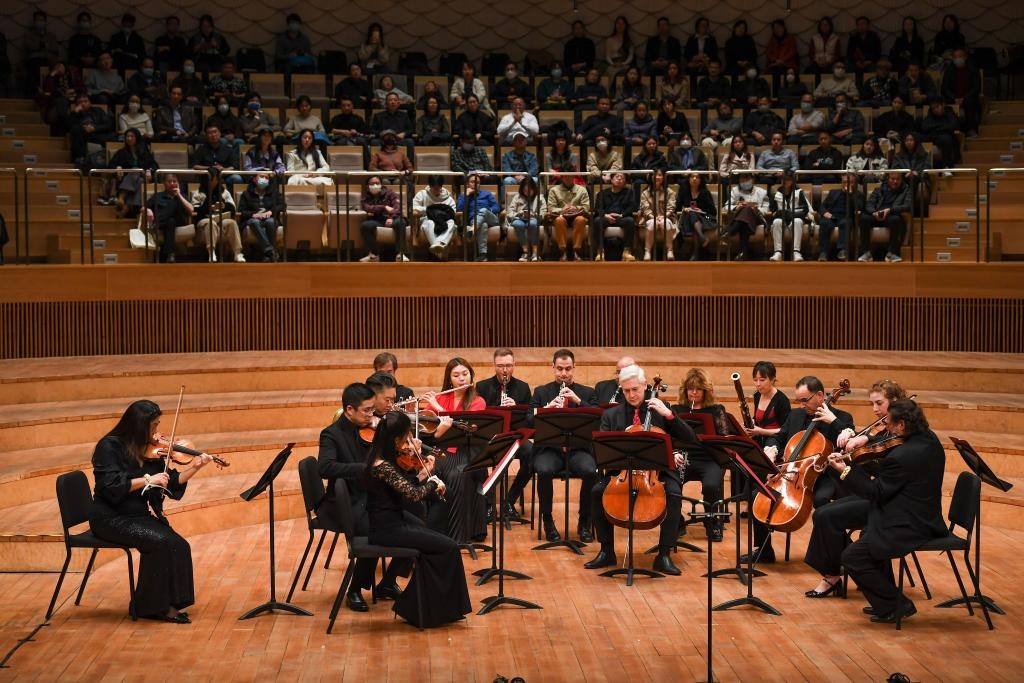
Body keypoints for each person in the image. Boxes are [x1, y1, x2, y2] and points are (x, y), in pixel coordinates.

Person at [89, 400, 212, 623]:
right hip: (110, 517)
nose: (157, 432)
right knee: (161, 543)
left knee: (179, 544)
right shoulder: (109, 447)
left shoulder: (149, 450)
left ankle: (170, 603)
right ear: (138, 425)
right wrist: (147, 479)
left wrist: (195, 467)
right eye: (153, 425)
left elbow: (171, 482)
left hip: (137, 515)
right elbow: (111, 486)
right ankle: (151, 607)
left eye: (157, 425)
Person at [827, 400, 945, 623]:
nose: (886, 428)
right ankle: (885, 603)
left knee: (853, 557)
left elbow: (875, 491)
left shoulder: (903, 455)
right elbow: (894, 474)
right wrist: (859, 462)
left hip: (912, 523)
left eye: (889, 423)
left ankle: (897, 605)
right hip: (922, 512)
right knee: (869, 533)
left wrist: (845, 471)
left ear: (901, 425)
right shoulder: (928, 439)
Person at [586, 364, 698, 575]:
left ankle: (663, 555)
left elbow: (690, 438)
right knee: (596, 491)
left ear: (645, 385)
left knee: (674, 494)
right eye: (626, 390)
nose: (631, 395)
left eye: (635, 389)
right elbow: (600, 452)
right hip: (622, 472)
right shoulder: (612, 415)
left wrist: (669, 415)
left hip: (658, 473)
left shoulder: (661, 408)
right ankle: (606, 550)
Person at [364, 411, 472, 628]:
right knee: (449, 547)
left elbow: (403, 488)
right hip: (387, 530)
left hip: (393, 523)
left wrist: (422, 475)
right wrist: (432, 483)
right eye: (406, 436)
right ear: (395, 439)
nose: (409, 441)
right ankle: (425, 609)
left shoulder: (383, 460)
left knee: (438, 546)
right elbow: (413, 495)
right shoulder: (382, 466)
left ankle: (421, 608)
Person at [803, 380, 909, 599]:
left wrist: (850, 462)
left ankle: (856, 578)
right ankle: (833, 574)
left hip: (891, 500)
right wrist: (851, 454)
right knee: (823, 514)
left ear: (895, 402)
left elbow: (886, 465)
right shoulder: (884, 428)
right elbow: (873, 453)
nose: (875, 409)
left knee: (834, 516)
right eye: (872, 404)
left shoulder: (902, 430)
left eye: (879, 403)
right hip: (877, 493)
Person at [320, 383, 416, 613]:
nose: (372, 415)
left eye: (373, 409)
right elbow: (325, 467)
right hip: (347, 503)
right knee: (377, 529)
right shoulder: (331, 434)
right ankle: (354, 589)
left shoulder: (372, 429)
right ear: (349, 410)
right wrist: (366, 468)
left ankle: (388, 582)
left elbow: (387, 462)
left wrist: (401, 450)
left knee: (419, 523)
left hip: (372, 498)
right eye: (366, 410)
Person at [751, 375, 855, 562]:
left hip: (826, 475)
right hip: (794, 473)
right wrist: (771, 449)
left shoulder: (842, 418)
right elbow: (779, 437)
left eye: (805, 400)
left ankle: (842, 554)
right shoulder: (795, 415)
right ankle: (764, 551)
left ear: (820, 396)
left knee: (822, 501)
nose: (801, 405)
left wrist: (834, 423)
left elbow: (850, 443)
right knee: (757, 494)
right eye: (799, 400)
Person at [529, 349, 599, 543]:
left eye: (568, 369)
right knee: (543, 470)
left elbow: (599, 418)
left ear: (574, 367)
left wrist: (578, 401)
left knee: (591, 471)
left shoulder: (587, 393)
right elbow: (528, 421)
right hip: (550, 449)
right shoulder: (541, 392)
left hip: (578, 449)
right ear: (553, 367)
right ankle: (548, 521)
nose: (564, 373)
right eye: (559, 369)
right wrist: (547, 409)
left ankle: (584, 521)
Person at [420, 357, 487, 544]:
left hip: (467, 451)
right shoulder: (441, 398)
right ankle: (430, 532)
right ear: (449, 379)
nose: (462, 378)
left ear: (471, 376)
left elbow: (465, 428)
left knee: (456, 475)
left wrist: (439, 409)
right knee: (427, 471)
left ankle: (457, 538)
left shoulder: (478, 401)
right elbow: (429, 432)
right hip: (442, 450)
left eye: (465, 374)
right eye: (456, 375)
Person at [674, 367, 733, 541]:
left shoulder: (716, 410)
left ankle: (713, 523)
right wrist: (675, 453)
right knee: (671, 484)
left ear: (706, 390)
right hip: (684, 458)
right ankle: (676, 522)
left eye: (698, 389)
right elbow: (670, 436)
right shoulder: (677, 409)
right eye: (690, 388)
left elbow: (724, 437)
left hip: (710, 459)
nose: (694, 392)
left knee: (711, 486)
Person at [476, 348, 534, 519]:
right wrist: (498, 409)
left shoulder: (523, 388)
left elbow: (528, 420)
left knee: (532, 454)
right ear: (494, 365)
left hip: (515, 437)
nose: (505, 370)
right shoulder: (482, 387)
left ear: (514, 364)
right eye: (500, 366)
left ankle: (509, 500)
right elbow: (480, 418)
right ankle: (488, 504)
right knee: (490, 454)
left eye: (508, 365)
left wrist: (514, 409)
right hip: (490, 438)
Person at [191, 167, 244, 263]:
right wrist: (209, 208)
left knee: (231, 223)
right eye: (213, 179)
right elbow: (195, 210)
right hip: (205, 220)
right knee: (210, 223)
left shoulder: (224, 192)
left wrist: (224, 206)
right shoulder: (198, 193)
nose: (215, 181)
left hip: (221, 219)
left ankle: (237, 253)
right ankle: (211, 252)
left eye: (216, 179)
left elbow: (233, 208)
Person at [104, 128, 157, 218]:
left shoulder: (144, 152)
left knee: (137, 173)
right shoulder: (121, 152)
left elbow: (155, 166)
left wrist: (149, 170)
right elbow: (110, 165)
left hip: (144, 177)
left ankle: (122, 197)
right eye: (127, 136)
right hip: (126, 179)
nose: (129, 138)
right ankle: (127, 208)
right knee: (139, 179)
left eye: (132, 136)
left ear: (137, 138)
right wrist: (117, 167)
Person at [145, 174, 196, 263]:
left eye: (174, 181)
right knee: (170, 221)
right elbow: (143, 208)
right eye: (169, 181)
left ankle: (157, 224)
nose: (172, 183)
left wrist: (178, 195)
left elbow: (191, 209)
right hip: (168, 225)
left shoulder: (182, 196)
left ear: (178, 183)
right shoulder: (158, 196)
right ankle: (170, 254)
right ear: (164, 183)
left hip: (180, 222)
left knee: (173, 204)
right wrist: (148, 210)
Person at [742, 360, 791, 448]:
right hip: (760, 437)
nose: (758, 384)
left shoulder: (782, 400)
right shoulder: (757, 395)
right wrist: (750, 422)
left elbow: (785, 430)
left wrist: (760, 431)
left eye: (762, 380)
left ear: (772, 380)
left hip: (775, 441)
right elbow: (759, 418)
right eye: (755, 380)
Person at [360, 175, 409, 263]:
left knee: (400, 222)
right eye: (372, 184)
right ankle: (374, 255)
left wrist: (391, 218)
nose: (375, 185)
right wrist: (384, 207)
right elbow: (367, 208)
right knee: (365, 226)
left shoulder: (390, 193)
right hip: (378, 220)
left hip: (394, 218)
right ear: (368, 186)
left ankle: (400, 254)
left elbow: (398, 208)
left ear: (381, 184)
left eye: (377, 183)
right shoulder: (366, 198)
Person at [817, 172, 864, 261]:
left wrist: (850, 194)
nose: (847, 184)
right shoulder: (833, 192)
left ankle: (842, 250)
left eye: (850, 182)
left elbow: (858, 207)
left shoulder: (858, 195)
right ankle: (823, 252)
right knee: (824, 223)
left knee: (845, 223)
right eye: (845, 182)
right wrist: (825, 212)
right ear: (842, 182)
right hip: (832, 216)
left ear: (855, 183)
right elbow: (822, 206)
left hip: (846, 217)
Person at [769, 170, 813, 261]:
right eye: (784, 179)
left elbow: (805, 209)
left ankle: (796, 252)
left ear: (793, 181)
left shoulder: (799, 192)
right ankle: (778, 252)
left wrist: (790, 213)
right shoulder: (776, 194)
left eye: (788, 179)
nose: (786, 181)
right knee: (776, 222)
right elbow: (773, 211)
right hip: (782, 219)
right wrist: (780, 213)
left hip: (795, 218)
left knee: (797, 221)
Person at [592, 171, 637, 262]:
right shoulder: (602, 193)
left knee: (630, 221)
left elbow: (632, 207)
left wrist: (621, 215)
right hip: (606, 218)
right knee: (597, 221)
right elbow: (597, 208)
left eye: (622, 178)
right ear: (611, 180)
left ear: (625, 182)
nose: (619, 179)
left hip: (621, 218)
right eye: (617, 177)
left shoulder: (629, 192)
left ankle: (626, 252)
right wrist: (606, 215)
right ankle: (600, 252)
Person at [724, 172, 769, 260]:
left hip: (756, 219)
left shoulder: (762, 192)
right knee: (745, 217)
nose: (744, 181)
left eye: (747, 178)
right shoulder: (735, 191)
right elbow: (726, 206)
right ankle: (743, 253)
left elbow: (766, 209)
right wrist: (736, 207)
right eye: (742, 178)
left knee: (747, 210)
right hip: (742, 220)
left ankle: (729, 232)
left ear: (753, 180)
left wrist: (757, 209)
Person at [238, 172, 282, 261]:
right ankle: (270, 250)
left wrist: (271, 211)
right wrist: (253, 214)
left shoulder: (274, 192)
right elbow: (241, 211)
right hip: (253, 218)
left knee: (270, 222)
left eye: (266, 178)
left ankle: (268, 255)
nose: (264, 179)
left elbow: (282, 205)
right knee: (254, 222)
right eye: (261, 177)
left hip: (268, 217)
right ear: (254, 179)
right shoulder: (246, 194)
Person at [547, 173, 591, 260]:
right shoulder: (554, 190)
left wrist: (576, 208)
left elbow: (586, 207)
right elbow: (551, 208)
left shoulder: (582, 189)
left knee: (581, 219)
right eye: (565, 176)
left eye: (570, 176)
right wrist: (562, 210)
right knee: (559, 220)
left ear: (573, 176)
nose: (568, 178)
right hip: (561, 215)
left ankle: (576, 251)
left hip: (577, 215)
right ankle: (563, 252)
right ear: (562, 177)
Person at [457, 173, 501, 261]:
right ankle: (482, 255)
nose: (475, 184)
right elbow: (459, 209)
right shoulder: (463, 195)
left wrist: (487, 211)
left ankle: (472, 230)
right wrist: (466, 195)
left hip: (491, 219)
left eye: (477, 182)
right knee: (483, 225)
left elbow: (497, 207)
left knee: (483, 210)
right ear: (468, 184)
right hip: (474, 220)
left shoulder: (487, 194)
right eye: (472, 182)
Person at [674, 171, 715, 261]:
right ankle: (702, 239)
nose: (694, 179)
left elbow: (713, 211)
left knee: (694, 217)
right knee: (692, 213)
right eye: (692, 176)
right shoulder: (684, 191)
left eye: (697, 177)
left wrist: (701, 210)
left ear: (701, 180)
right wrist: (684, 209)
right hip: (686, 219)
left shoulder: (705, 192)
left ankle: (695, 254)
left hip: (704, 219)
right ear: (689, 179)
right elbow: (676, 208)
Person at [413, 176, 458, 259]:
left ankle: (438, 246)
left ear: (441, 186)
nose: (436, 191)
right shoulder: (422, 194)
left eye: (438, 188)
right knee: (430, 223)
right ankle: (441, 251)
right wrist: (429, 210)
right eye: (434, 188)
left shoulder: (448, 198)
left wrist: (438, 212)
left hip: (444, 221)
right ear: (430, 186)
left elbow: (453, 212)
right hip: (427, 220)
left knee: (452, 223)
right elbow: (414, 207)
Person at [940, 48, 981, 137]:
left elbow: (976, 88)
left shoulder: (973, 70)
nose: (957, 59)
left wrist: (964, 98)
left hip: (968, 97)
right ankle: (951, 130)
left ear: (965, 57)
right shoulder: (949, 70)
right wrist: (954, 98)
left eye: (960, 56)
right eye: (955, 57)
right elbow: (944, 88)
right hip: (952, 98)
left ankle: (971, 129)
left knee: (970, 102)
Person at [506, 177, 546, 262]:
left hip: (533, 218)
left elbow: (544, 213)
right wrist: (518, 213)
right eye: (525, 191)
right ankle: (526, 252)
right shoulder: (517, 197)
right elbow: (510, 212)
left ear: (533, 189)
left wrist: (534, 214)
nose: (527, 193)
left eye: (529, 190)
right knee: (517, 224)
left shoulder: (540, 197)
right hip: (519, 218)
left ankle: (535, 252)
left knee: (532, 224)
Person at [919, 98, 962, 169]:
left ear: (943, 105)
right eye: (933, 108)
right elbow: (924, 127)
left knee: (946, 139)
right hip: (934, 137)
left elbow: (954, 125)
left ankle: (947, 167)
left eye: (937, 107)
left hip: (947, 137)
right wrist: (943, 127)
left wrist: (936, 128)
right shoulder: (931, 114)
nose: (935, 110)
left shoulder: (949, 112)